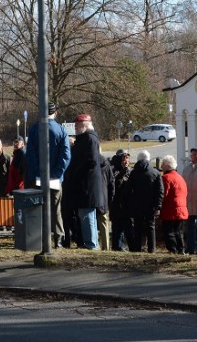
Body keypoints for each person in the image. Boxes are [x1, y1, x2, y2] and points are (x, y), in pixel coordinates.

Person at [24, 103, 71, 247]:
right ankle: (58, 240)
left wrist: (39, 172)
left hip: (38, 177)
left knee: (39, 208)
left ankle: (41, 239)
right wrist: (56, 173)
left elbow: (30, 155)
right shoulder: (61, 131)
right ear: (55, 112)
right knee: (56, 210)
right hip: (56, 178)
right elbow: (66, 156)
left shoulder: (34, 129)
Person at [62, 114, 105, 250]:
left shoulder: (90, 139)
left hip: (88, 185)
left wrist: (77, 172)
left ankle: (92, 244)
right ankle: (90, 243)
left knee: (87, 216)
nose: (74, 128)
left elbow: (91, 160)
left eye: (77, 126)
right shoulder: (85, 139)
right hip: (85, 185)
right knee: (85, 215)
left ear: (84, 126)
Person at [125, 150, 163, 253]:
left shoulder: (134, 172)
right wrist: (158, 205)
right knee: (151, 226)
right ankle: (152, 249)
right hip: (150, 205)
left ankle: (137, 248)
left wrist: (129, 203)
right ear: (149, 158)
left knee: (138, 227)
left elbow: (128, 190)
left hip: (137, 204)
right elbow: (159, 191)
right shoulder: (155, 173)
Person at [159, 155, 188, 254]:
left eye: (163, 164)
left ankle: (173, 250)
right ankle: (181, 249)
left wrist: (158, 205)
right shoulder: (180, 177)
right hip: (181, 208)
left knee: (169, 231)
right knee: (179, 231)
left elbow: (163, 194)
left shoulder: (165, 178)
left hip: (170, 208)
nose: (161, 166)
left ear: (167, 166)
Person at [109, 150, 132, 251]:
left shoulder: (128, 170)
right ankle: (117, 246)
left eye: (128, 158)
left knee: (125, 227)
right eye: (124, 158)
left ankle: (124, 246)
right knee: (117, 227)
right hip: (117, 203)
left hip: (126, 203)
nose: (126, 161)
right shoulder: (114, 170)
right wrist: (124, 170)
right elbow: (116, 183)